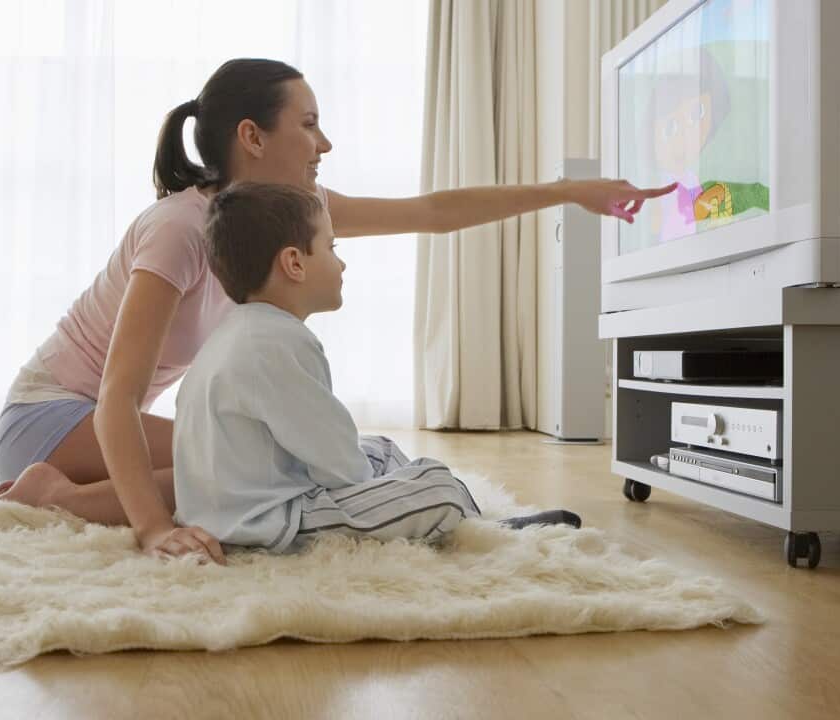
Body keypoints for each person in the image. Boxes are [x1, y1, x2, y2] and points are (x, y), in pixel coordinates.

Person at [0, 58, 672, 562]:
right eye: (308, 124)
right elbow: (115, 396)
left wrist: (565, 193)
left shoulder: (284, 215)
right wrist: (153, 529)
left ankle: (62, 492)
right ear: (252, 136)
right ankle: (45, 495)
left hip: (97, 420)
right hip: (52, 416)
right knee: (227, 479)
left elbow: (431, 213)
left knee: (249, 467)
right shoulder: (180, 228)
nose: (325, 144)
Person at [173, 182, 577, 556]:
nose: (342, 264)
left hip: (244, 504)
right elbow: (336, 460)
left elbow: (319, 442)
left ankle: (446, 514)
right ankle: (483, 532)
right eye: (331, 248)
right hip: (267, 523)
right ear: (294, 263)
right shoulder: (275, 342)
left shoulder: (244, 331)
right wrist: (387, 494)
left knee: (380, 448)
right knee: (436, 486)